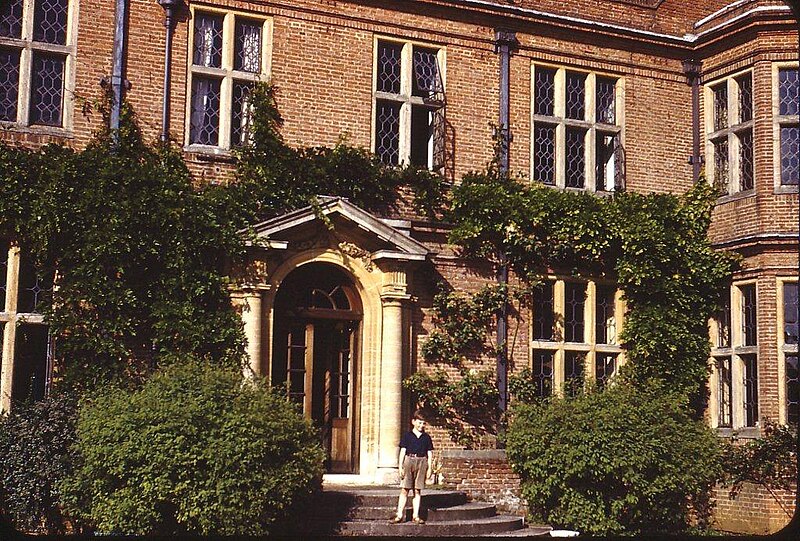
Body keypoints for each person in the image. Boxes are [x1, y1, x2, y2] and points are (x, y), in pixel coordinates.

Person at [389, 410, 434, 524]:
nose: (421, 425)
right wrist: (400, 467)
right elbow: (402, 452)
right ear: (413, 422)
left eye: (423, 423)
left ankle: (416, 515)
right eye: (419, 422)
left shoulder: (426, 437)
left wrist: (430, 468)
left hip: (422, 461)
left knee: (417, 491)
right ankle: (399, 515)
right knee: (405, 489)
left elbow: (429, 453)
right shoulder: (407, 436)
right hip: (409, 461)